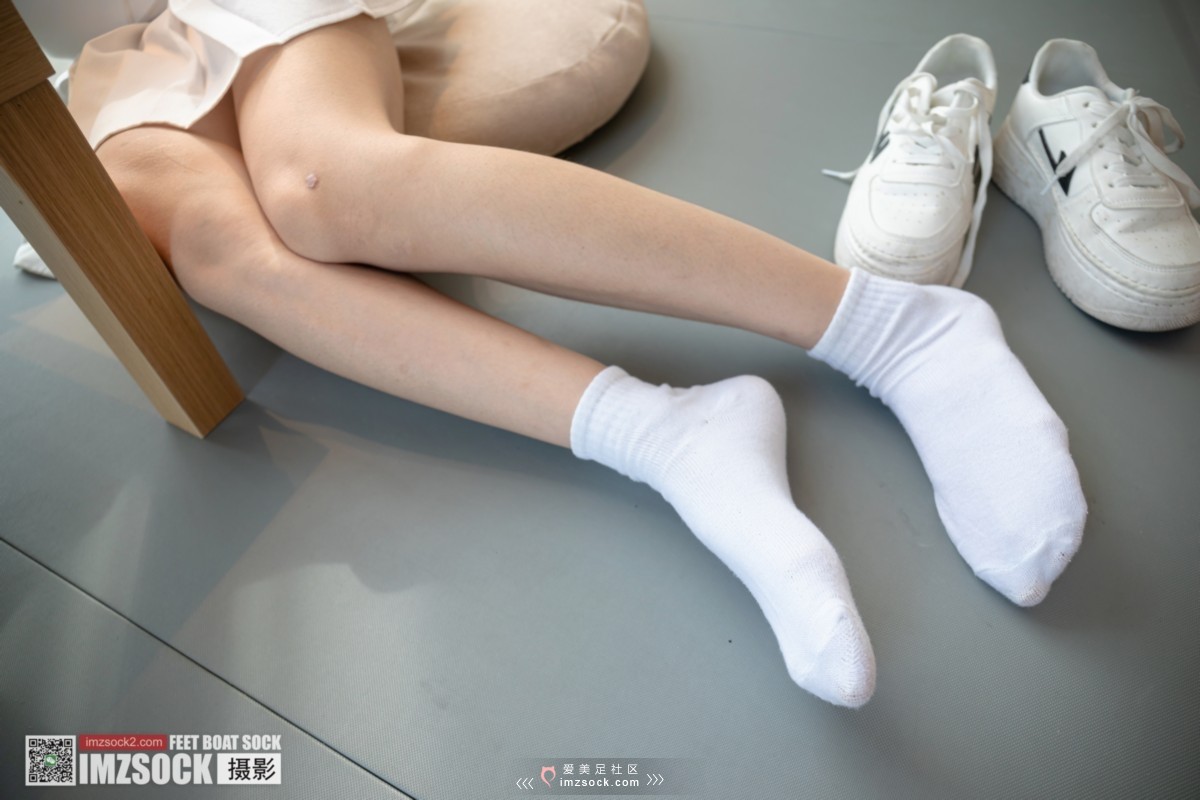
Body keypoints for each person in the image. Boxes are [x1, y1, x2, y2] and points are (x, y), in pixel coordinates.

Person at [37, 0, 1086, 708]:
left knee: (320, 185)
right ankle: (668, 433)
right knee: (220, 253)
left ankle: (893, 327)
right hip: (112, 60)